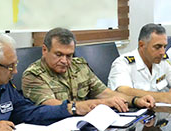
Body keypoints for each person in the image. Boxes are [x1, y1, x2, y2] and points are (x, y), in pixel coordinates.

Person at [20, 27, 153, 110]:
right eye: (59, 54)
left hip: (83, 129)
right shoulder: (33, 75)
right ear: (45, 50)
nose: (64, 61)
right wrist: (101, 103)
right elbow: (52, 106)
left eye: (69, 55)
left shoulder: (79, 66)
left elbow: (105, 93)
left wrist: (135, 100)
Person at [108, 23, 171, 104]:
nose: (162, 52)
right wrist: (164, 97)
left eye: (164, 47)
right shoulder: (123, 63)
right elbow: (123, 91)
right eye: (157, 47)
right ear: (141, 45)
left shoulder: (161, 61)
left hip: (159, 109)